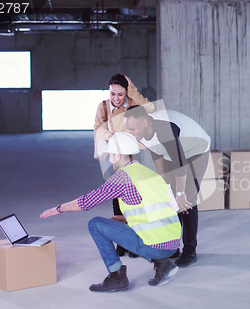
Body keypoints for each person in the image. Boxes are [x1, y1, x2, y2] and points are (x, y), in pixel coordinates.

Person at [40, 132, 181, 292]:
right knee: (116, 223)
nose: (108, 156)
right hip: (173, 242)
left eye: (110, 153)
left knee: (95, 224)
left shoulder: (123, 177)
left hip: (155, 245)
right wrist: (126, 217)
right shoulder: (146, 172)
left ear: (118, 154)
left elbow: (87, 202)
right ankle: (163, 264)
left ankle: (117, 277)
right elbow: (159, 207)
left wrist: (59, 209)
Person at [124, 105, 211, 267]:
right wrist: (163, 183)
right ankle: (172, 248)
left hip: (196, 150)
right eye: (128, 129)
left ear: (144, 122)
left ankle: (190, 251)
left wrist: (180, 192)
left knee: (186, 201)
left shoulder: (165, 130)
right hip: (173, 152)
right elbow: (156, 151)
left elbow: (180, 162)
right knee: (169, 199)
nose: (130, 133)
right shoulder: (140, 131)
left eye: (132, 128)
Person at [93, 74, 154, 257]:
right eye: (112, 94)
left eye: (120, 94)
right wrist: (111, 137)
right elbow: (98, 127)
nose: (116, 98)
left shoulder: (133, 104)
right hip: (115, 155)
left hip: (135, 155)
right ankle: (122, 241)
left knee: (136, 198)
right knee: (118, 198)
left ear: (126, 92)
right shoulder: (103, 106)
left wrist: (133, 90)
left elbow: (150, 109)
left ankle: (136, 239)